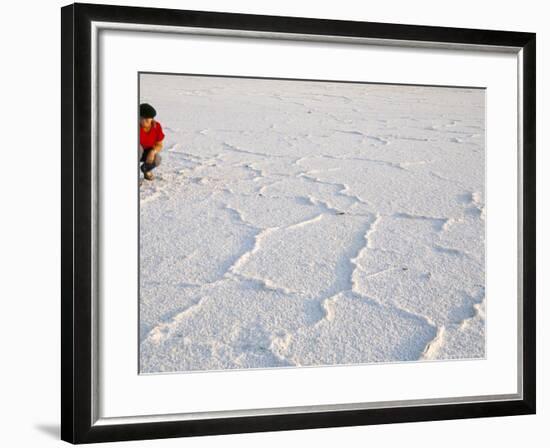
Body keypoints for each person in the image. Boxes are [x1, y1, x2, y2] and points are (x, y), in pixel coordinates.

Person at [139, 103, 164, 181]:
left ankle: (146, 170)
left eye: (150, 118)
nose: (148, 121)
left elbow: (159, 144)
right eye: (145, 118)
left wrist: (153, 151)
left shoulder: (156, 126)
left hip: (148, 151)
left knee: (157, 159)